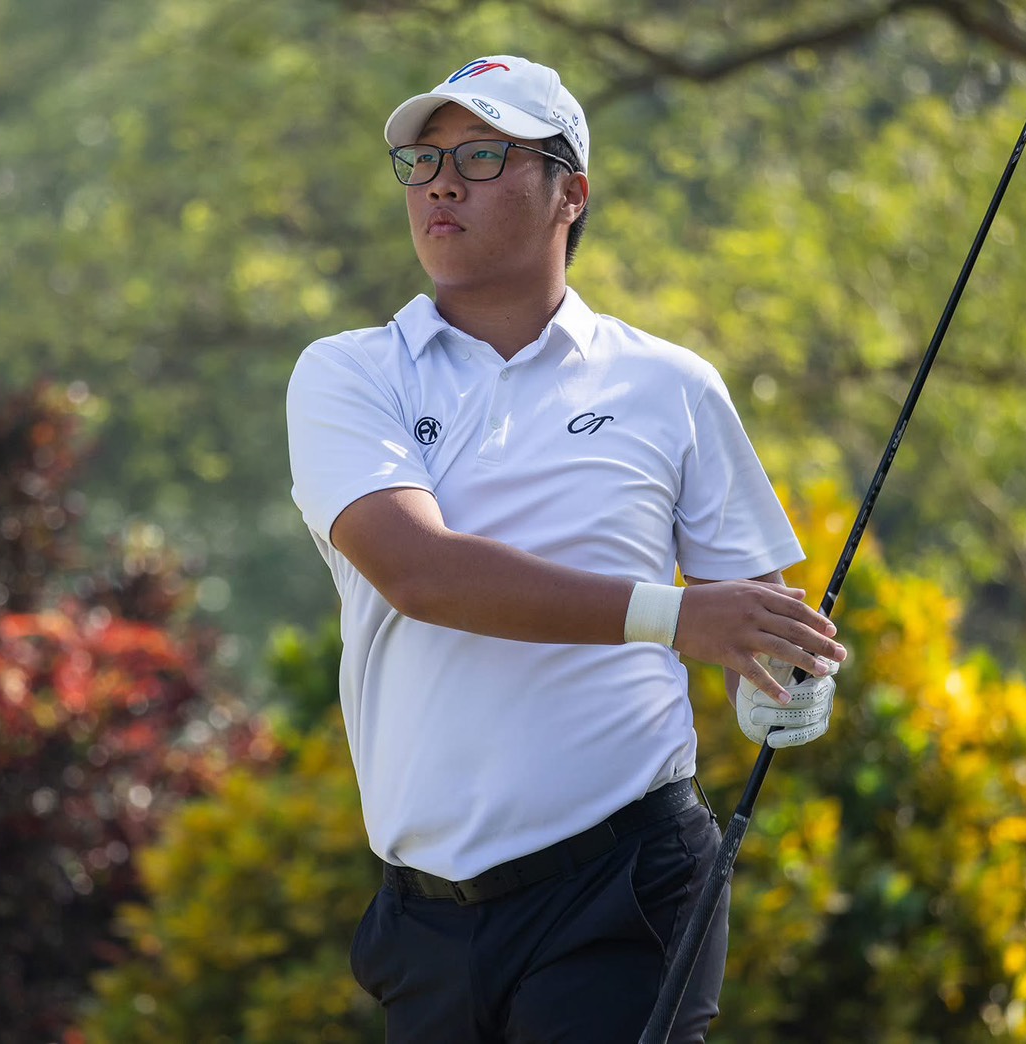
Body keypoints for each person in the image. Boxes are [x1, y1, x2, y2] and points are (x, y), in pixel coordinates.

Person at [285, 54, 846, 1043]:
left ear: (570, 193)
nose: (442, 184)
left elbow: (752, 630)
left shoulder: (670, 386)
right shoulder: (349, 374)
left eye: (482, 155)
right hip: (425, 917)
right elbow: (419, 572)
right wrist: (676, 618)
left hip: (624, 889)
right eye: (424, 161)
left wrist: (783, 689)